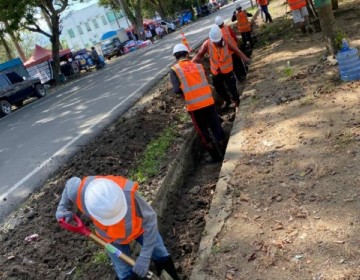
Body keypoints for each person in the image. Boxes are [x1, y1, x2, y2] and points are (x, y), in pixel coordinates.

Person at [55, 176, 180, 280]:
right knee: (124, 273)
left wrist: (145, 256)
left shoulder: (127, 192)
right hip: (112, 239)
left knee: (160, 253)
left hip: (138, 228)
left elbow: (151, 219)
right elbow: (69, 184)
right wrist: (62, 210)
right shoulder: (78, 191)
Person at [170, 43, 226, 162]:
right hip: (208, 102)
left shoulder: (175, 70)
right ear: (187, 54)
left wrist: (185, 90)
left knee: (203, 132)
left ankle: (215, 158)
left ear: (175, 57)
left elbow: (176, 90)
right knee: (216, 126)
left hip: (194, 107)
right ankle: (225, 152)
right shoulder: (198, 66)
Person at [192, 25, 251, 112]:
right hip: (216, 72)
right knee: (218, 88)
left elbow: (237, 51)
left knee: (233, 89)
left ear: (220, 38)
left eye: (217, 41)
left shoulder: (226, 42)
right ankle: (227, 101)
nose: (216, 43)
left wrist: (246, 59)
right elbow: (198, 56)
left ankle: (237, 103)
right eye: (214, 41)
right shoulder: (207, 44)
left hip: (228, 71)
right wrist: (188, 65)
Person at [215, 15, 248, 82]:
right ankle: (243, 74)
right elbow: (234, 36)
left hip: (228, 52)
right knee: (238, 63)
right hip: (233, 50)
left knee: (234, 66)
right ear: (222, 22)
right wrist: (237, 43)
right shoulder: (226, 28)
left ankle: (240, 78)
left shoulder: (218, 32)